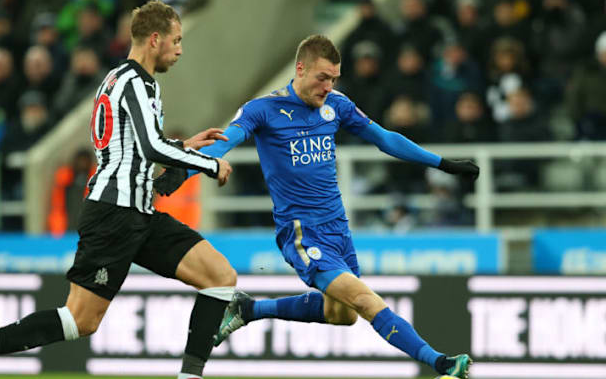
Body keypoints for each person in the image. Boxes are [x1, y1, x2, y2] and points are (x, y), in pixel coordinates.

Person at [0, 0, 235, 379]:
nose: (180, 49)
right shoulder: (135, 82)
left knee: (220, 276)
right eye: (176, 40)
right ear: (155, 39)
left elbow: (133, 147)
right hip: (114, 214)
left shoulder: (120, 80)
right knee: (80, 321)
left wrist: (185, 146)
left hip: (138, 212)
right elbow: (147, 147)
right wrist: (209, 164)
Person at [155, 35, 479, 378]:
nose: (328, 86)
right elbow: (225, 143)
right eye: (323, 78)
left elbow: (385, 138)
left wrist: (443, 163)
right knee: (366, 301)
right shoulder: (263, 110)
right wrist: (186, 171)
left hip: (338, 229)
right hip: (302, 231)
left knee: (343, 314)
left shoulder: (336, 105)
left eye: (334, 79)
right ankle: (441, 362)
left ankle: (249, 309)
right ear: (300, 68)